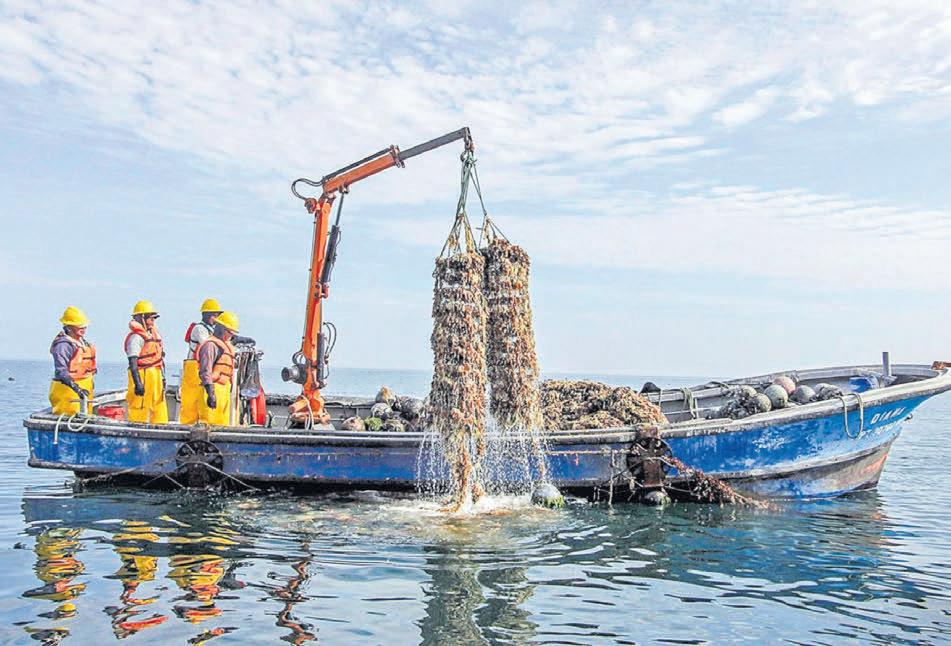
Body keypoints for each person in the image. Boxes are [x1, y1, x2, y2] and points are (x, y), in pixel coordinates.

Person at [179, 298, 222, 424]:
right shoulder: (199, 329)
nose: (217, 319)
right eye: (215, 315)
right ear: (206, 315)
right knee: (190, 403)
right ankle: (187, 426)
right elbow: (207, 345)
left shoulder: (213, 330)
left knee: (204, 402)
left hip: (204, 369)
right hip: (193, 369)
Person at [125, 300, 168, 424]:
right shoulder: (136, 338)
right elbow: (133, 363)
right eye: (150, 318)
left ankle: (161, 428)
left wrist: (162, 378)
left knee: (159, 404)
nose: (153, 321)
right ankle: (136, 428)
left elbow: (159, 360)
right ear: (141, 318)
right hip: (142, 374)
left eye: (154, 319)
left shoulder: (153, 335)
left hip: (156, 374)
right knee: (140, 405)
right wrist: (138, 383)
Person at [48, 306, 96, 415]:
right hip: (68, 392)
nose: (83, 328)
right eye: (79, 325)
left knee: (85, 417)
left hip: (84, 389)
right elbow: (61, 372)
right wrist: (77, 389)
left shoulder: (82, 342)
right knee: (69, 417)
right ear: (69, 327)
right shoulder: (63, 345)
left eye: (84, 325)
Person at [196, 311, 240, 425]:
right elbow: (205, 370)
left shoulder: (226, 345)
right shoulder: (210, 346)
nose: (231, 337)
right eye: (230, 333)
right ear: (221, 329)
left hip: (224, 391)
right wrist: (210, 393)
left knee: (223, 425)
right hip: (212, 390)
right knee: (208, 424)